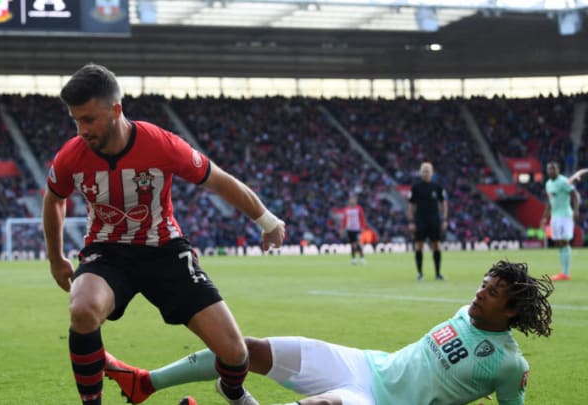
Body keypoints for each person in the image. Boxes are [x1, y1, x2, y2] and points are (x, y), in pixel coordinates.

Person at [43, 63, 286, 405]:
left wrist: (268, 221)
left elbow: (219, 180)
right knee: (82, 310)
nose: (81, 130)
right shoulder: (72, 155)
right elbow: (54, 199)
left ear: (116, 109)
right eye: (76, 120)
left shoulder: (161, 145)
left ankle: (232, 391)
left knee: (235, 353)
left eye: (89, 119)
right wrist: (56, 259)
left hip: (166, 251)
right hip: (107, 253)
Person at [104, 260, 553, 405]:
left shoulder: (509, 364)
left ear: (511, 311)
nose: (479, 293)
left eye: (492, 293)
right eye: (484, 284)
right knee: (245, 350)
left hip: (378, 402)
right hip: (366, 363)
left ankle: (235, 398)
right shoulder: (466, 312)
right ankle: (146, 382)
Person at [539, 161, 580, 281]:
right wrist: (544, 217)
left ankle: (566, 273)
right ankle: (563, 272)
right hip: (555, 217)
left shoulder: (563, 181)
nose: (551, 171)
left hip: (565, 215)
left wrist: (576, 211)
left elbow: (575, 195)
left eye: (554, 169)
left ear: (558, 170)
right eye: (550, 169)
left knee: (565, 241)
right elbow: (550, 203)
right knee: (559, 243)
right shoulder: (548, 184)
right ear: (547, 171)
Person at [407, 161, 448, 281]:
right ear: (420, 172)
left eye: (428, 170)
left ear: (432, 172)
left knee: (436, 245)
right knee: (419, 245)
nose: (426, 173)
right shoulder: (415, 187)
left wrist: (444, 219)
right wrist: (411, 221)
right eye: (424, 170)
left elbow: (443, 203)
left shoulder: (437, 187)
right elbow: (410, 206)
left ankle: (438, 273)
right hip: (420, 220)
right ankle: (420, 273)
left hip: (434, 219)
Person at [330, 194, 367, 265]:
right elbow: (344, 220)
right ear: (349, 200)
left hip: (357, 229)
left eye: (354, 199)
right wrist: (342, 228)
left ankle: (362, 259)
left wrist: (363, 227)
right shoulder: (346, 209)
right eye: (351, 199)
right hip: (350, 229)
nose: (353, 200)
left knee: (358, 243)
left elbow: (362, 218)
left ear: (356, 201)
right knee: (352, 244)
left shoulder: (359, 208)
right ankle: (353, 259)